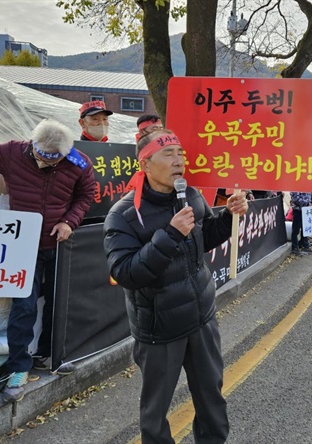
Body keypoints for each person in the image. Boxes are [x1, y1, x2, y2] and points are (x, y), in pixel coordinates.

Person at [103, 129, 248, 443]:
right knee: (154, 415)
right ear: (145, 164)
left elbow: (205, 237)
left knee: (212, 398)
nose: (179, 160)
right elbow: (124, 272)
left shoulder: (192, 195)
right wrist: (168, 235)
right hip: (159, 331)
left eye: (180, 153)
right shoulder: (125, 215)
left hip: (202, 319)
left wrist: (229, 215)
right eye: (168, 155)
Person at [0, 119, 96, 402]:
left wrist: (70, 221)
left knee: (59, 303)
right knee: (24, 306)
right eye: (42, 156)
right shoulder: (12, 152)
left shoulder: (78, 161)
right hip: (23, 245)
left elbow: (87, 194)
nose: (46, 163)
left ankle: (49, 355)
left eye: (54, 159)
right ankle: (18, 368)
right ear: (33, 145)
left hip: (58, 243)